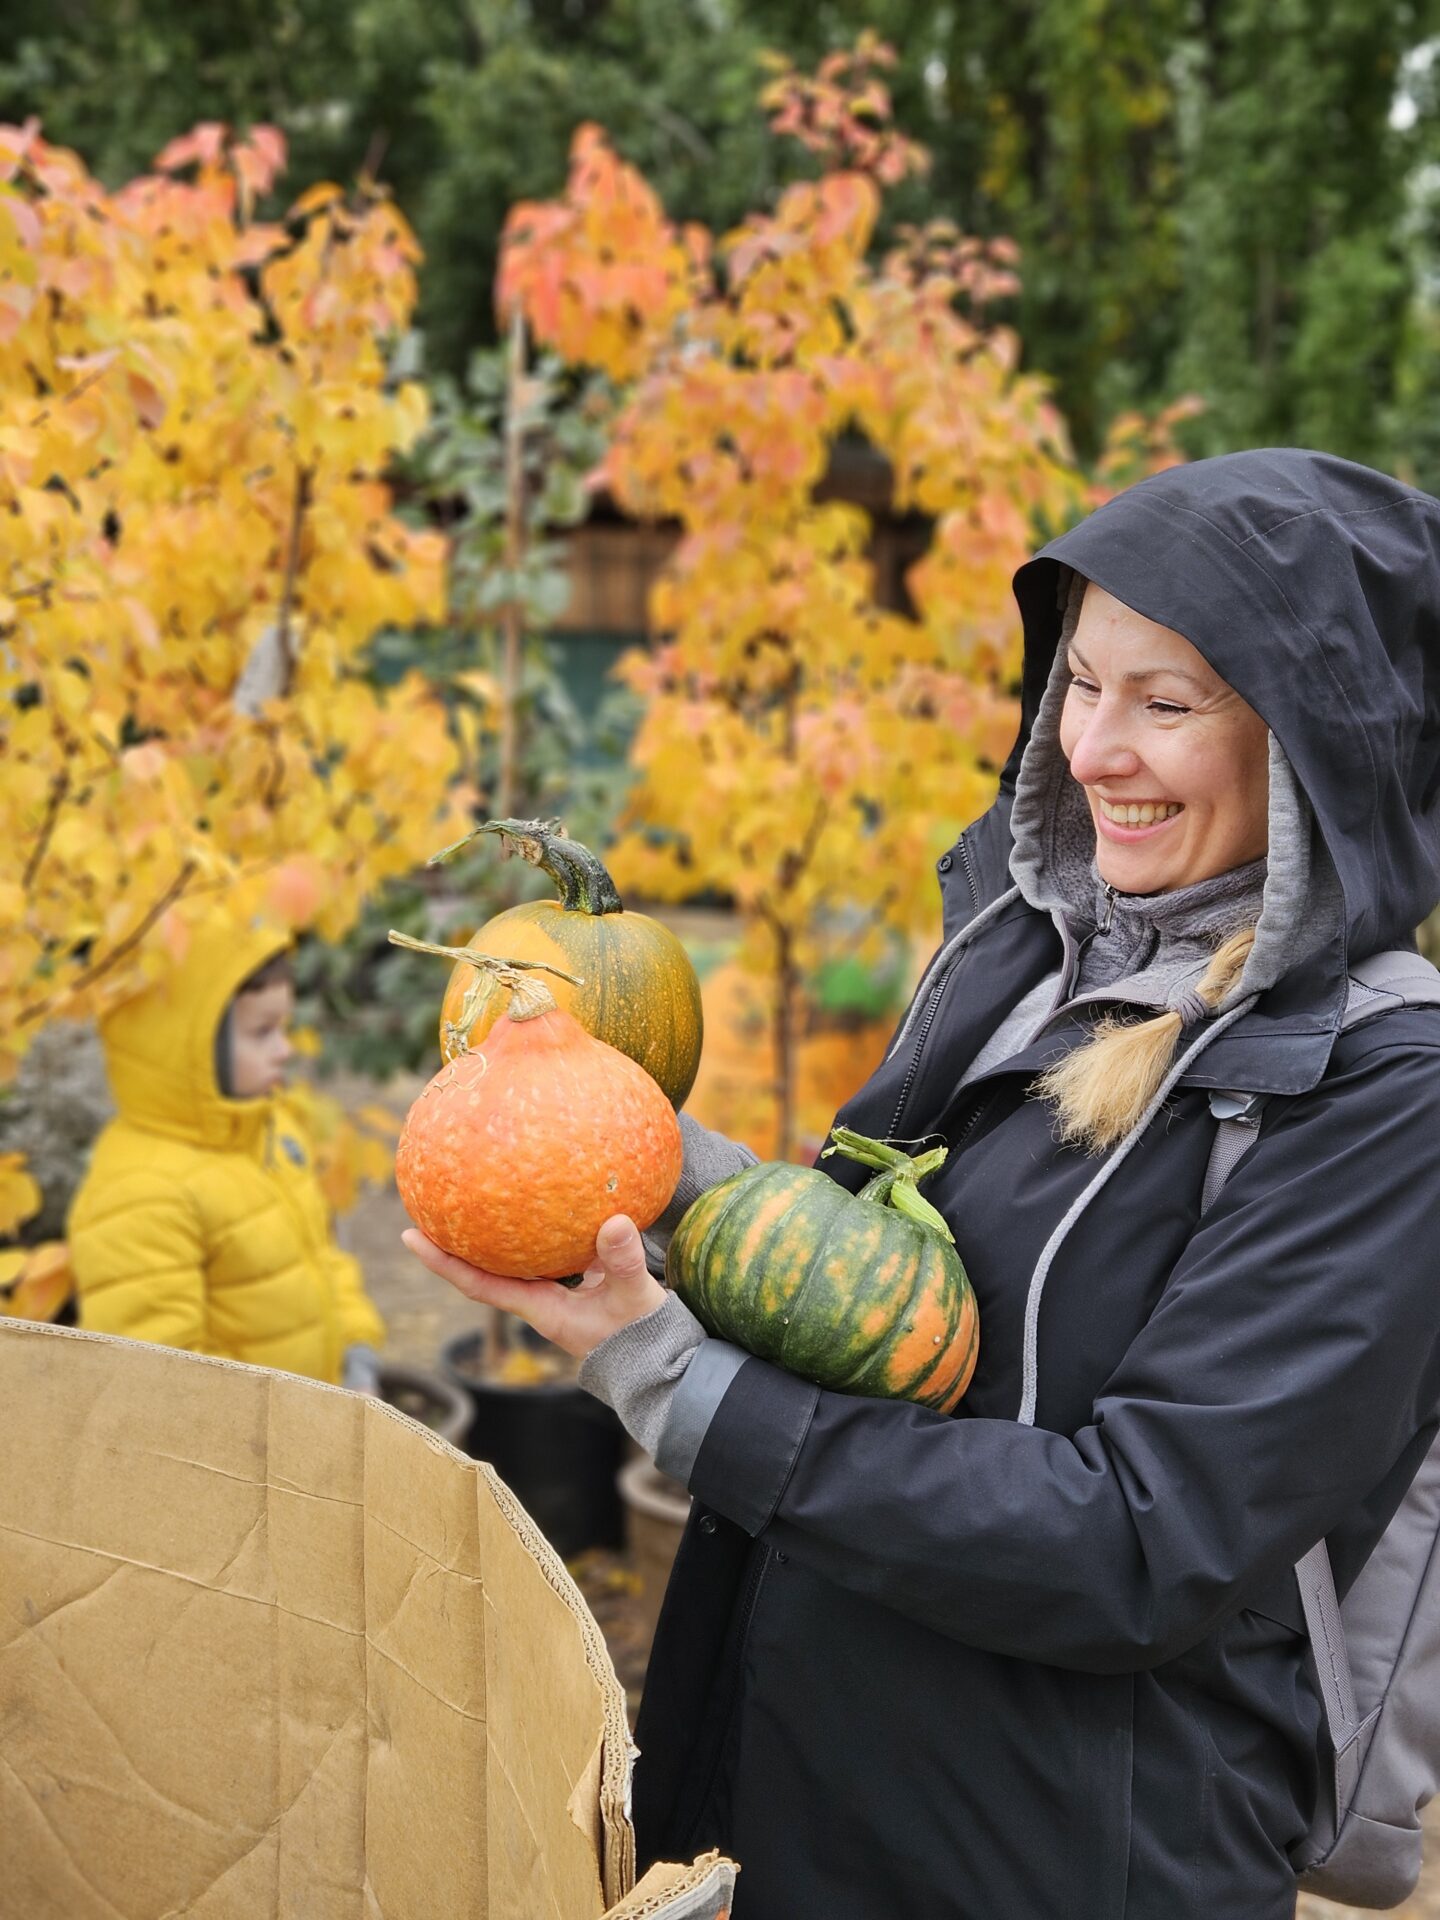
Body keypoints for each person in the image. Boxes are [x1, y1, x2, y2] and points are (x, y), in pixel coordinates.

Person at [403, 448, 1440, 1918]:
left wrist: (675, 1388)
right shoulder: (1029, 952)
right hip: (802, 1786)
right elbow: (872, 1292)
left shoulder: (1382, 1097)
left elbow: (1139, 1539)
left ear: (1316, 750)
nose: (1092, 748)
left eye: (1166, 703)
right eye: (1082, 682)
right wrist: (619, 1143)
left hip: (1057, 1859)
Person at [70, 910, 385, 1389]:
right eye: (262, 1032)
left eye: (283, 1027)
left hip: (309, 1422)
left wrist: (355, 1342)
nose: (284, 1049)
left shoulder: (269, 1129)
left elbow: (322, 1254)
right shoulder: (140, 1192)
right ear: (184, 1049)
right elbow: (161, 1383)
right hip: (241, 1453)